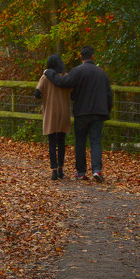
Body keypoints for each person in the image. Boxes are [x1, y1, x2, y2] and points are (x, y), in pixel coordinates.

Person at [45, 45, 112, 183]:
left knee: (80, 141)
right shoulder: (102, 73)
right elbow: (109, 94)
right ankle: (96, 170)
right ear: (92, 56)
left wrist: (48, 73)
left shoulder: (77, 71)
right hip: (99, 112)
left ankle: (81, 172)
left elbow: (62, 82)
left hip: (82, 112)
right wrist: (108, 110)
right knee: (96, 141)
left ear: (81, 56)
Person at [35, 54, 71, 181]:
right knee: (61, 142)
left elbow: (37, 94)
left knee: (52, 143)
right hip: (64, 112)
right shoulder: (66, 77)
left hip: (51, 112)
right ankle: (61, 169)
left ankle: (54, 171)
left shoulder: (45, 77)